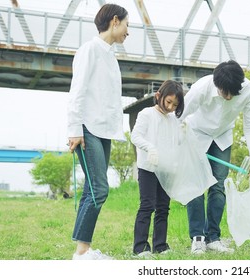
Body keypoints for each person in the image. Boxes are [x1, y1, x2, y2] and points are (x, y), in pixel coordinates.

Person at [67, 3, 129, 260]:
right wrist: (74, 129)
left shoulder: (110, 55)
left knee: (91, 189)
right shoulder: (90, 50)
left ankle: (82, 251)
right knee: (100, 189)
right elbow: (77, 90)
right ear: (115, 21)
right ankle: (82, 253)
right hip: (87, 129)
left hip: (103, 130)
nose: (128, 32)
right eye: (127, 25)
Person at [180, 60, 250, 254]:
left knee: (218, 187)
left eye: (233, 94)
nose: (229, 97)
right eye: (225, 93)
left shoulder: (248, 90)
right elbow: (180, 114)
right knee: (196, 186)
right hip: (197, 134)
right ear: (217, 85)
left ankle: (213, 237)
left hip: (223, 137)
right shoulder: (201, 88)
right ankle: (198, 238)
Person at [131, 80, 185, 258]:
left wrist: (184, 132)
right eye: (168, 102)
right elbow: (135, 136)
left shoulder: (173, 120)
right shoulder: (146, 114)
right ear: (158, 96)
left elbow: (176, 144)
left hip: (166, 169)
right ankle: (140, 248)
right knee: (147, 206)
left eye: (175, 105)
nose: (170, 107)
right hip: (148, 167)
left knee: (163, 208)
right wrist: (150, 148)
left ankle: (160, 245)